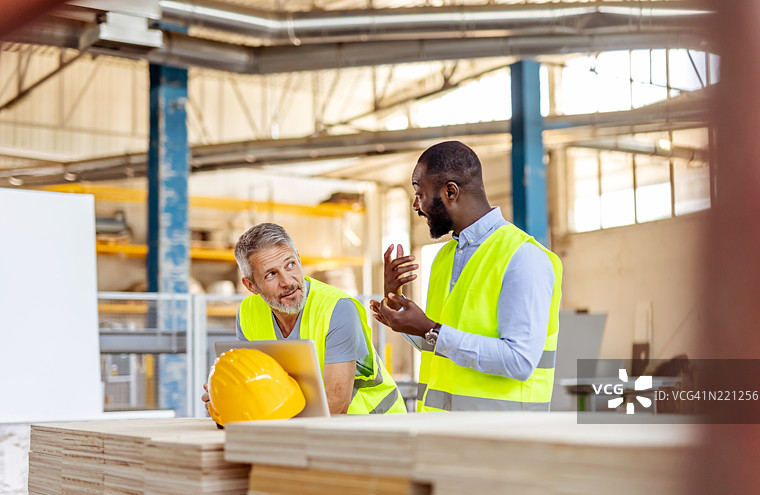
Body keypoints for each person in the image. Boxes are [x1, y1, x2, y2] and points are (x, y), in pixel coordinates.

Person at [369, 140, 563, 412]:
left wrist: (429, 329)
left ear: (450, 191)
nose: (416, 204)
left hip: (504, 441)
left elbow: (519, 360)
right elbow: (440, 345)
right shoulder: (445, 257)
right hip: (444, 437)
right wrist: (395, 302)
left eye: (419, 191)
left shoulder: (523, 258)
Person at [202, 223, 405, 415]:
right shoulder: (248, 313)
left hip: (377, 426)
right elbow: (254, 384)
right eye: (271, 274)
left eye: (290, 265)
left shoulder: (338, 308)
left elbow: (335, 403)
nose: (287, 282)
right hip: (314, 430)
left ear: (299, 259)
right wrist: (227, 399)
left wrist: (255, 408)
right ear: (250, 286)